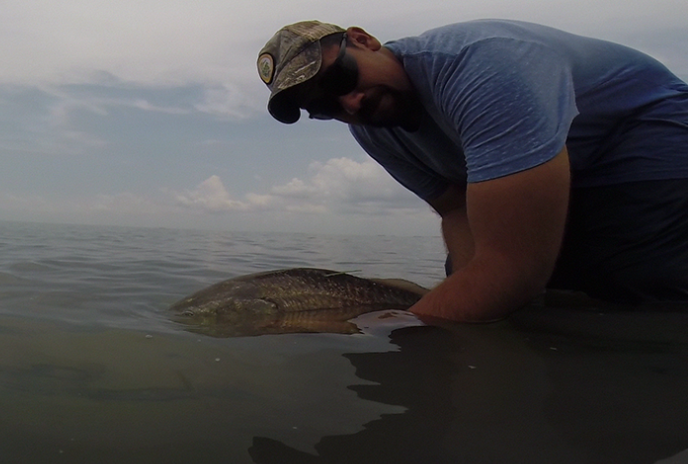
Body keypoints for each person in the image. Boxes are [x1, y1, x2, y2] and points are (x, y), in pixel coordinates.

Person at [257, 19, 688, 322]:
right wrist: (464, 294)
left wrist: (405, 327)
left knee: (627, 277)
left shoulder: (481, 67)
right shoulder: (373, 130)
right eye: (323, 106)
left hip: (644, 135)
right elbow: (456, 209)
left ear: (363, 40)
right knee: (474, 286)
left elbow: (513, 267)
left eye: (338, 80)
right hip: (550, 167)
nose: (348, 103)